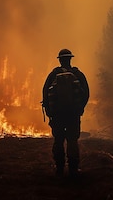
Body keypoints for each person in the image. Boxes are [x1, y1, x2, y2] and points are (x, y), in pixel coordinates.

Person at [42, 48, 90, 177]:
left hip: (57, 115)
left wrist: (49, 112)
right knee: (72, 141)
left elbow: (45, 93)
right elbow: (85, 94)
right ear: (70, 59)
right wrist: (80, 109)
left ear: (60, 60)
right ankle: (73, 169)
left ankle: (59, 168)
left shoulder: (53, 75)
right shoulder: (78, 74)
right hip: (73, 115)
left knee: (58, 140)